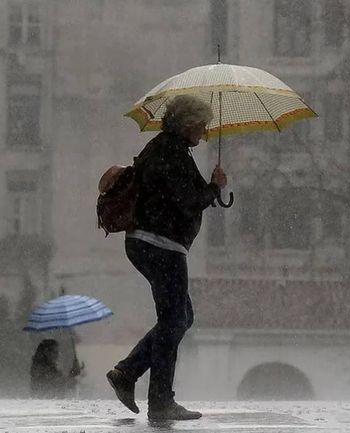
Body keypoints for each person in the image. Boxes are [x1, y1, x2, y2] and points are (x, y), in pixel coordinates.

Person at [105, 95, 227, 421]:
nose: (204, 132)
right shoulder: (170, 153)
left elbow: (186, 195)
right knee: (175, 320)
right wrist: (214, 188)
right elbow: (187, 201)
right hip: (160, 246)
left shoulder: (168, 149)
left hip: (153, 245)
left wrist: (211, 188)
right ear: (187, 124)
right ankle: (155, 397)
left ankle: (132, 376)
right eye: (201, 125)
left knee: (180, 317)